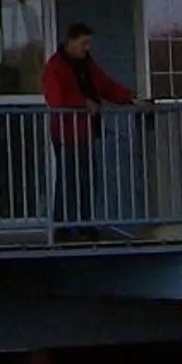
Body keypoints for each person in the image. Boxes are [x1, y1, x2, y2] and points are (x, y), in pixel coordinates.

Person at [41, 22, 134, 230]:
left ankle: (85, 224)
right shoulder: (55, 67)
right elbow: (56, 99)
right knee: (69, 181)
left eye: (89, 43)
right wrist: (83, 103)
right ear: (70, 42)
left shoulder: (86, 66)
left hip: (85, 131)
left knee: (87, 179)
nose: (87, 48)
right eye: (84, 43)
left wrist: (130, 98)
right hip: (66, 133)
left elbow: (106, 84)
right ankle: (64, 227)